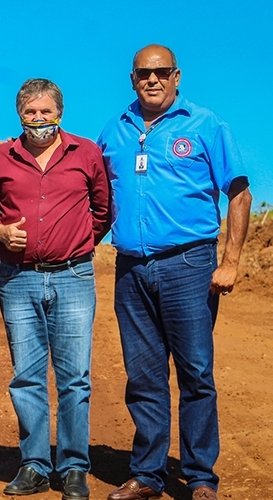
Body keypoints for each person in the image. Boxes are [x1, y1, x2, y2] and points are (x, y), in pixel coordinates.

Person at [98, 44, 252, 500]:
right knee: (143, 375)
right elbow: (99, 199)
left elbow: (239, 192)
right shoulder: (114, 131)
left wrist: (230, 261)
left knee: (196, 373)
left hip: (189, 264)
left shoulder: (205, 124)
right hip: (131, 269)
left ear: (177, 75)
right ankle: (147, 474)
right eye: (144, 73)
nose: (153, 80)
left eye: (162, 72)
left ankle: (201, 477)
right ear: (132, 79)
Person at [0, 78, 110, 500]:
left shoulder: (86, 153)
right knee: (26, 377)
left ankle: (72, 468)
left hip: (73, 276)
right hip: (19, 279)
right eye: (30, 112)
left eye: (45, 111)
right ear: (19, 115)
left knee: (74, 379)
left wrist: (77, 243)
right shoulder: (1, 157)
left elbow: (102, 210)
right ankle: (33, 464)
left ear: (60, 114)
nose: (38, 119)